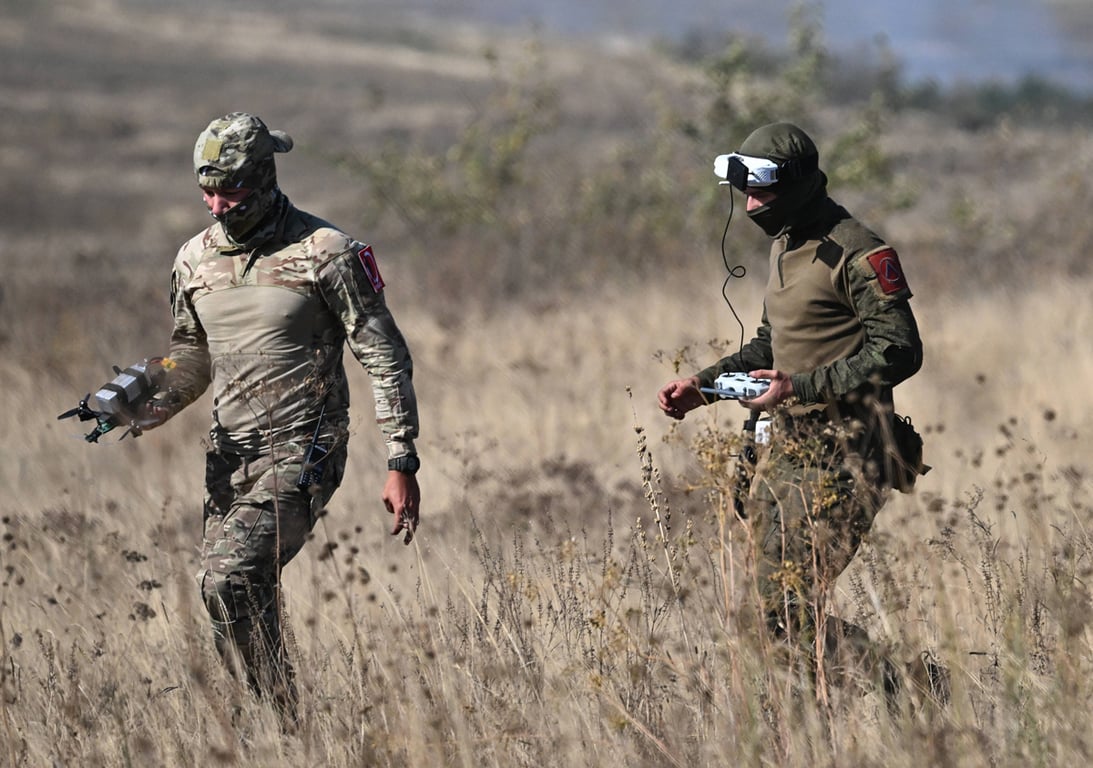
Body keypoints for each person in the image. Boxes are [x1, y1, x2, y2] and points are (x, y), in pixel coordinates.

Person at [141, 112, 422, 718]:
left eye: (232, 190)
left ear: (266, 177)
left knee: (227, 577)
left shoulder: (327, 252)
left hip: (307, 448)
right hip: (230, 459)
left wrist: (402, 459)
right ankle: (280, 731)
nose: (218, 205)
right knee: (233, 602)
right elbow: (191, 359)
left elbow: (385, 356)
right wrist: (142, 405)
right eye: (206, 191)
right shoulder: (192, 260)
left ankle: (278, 722)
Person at [657, 122, 941, 703]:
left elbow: (899, 348)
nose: (751, 204)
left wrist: (803, 387)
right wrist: (703, 388)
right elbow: (771, 344)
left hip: (845, 457)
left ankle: (916, 692)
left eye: (763, 191)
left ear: (802, 184)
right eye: (745, 192)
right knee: (772, 619)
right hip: (785, 454)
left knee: (779, 619)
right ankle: (835, 721)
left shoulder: (857, 250)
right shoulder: (785, 244)